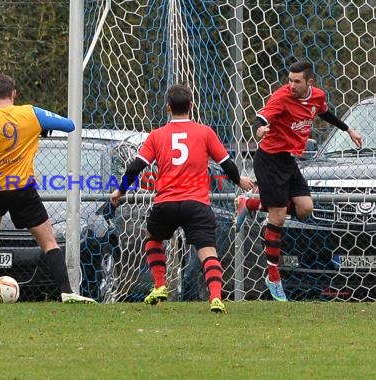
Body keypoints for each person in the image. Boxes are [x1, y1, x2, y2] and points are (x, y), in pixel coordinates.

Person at [0, 73, 97, 304]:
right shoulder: (31, 113)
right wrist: (42, 127)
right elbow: (69, 125)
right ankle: (66, 291)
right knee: (48, 242)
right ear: (14, 93)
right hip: (22, 189)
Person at [109, 84, 254, 313]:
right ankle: (216, 297)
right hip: (197, 203)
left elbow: (136, 166)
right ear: (192, 106)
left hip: (166, 202)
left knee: (153, 238)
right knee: (207, 251)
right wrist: (239, 181)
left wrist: (121, 191)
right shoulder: (205, 132)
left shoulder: (157, 135)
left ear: (168, 107)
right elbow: (227, 164)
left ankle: (160, 285)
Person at [234, 59, 363, 301]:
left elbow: (325, 113)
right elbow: (262, 118)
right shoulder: (282, 97)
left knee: (305, 208)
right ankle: (273, 276)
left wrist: (349, 130)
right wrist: (259, 129)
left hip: (288, 162)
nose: (291, 85)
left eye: (296, 81)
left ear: (309, 82)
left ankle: (250, 203)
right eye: (289, 80)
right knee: (278, 216)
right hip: (269, 159)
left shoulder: (317, 96)